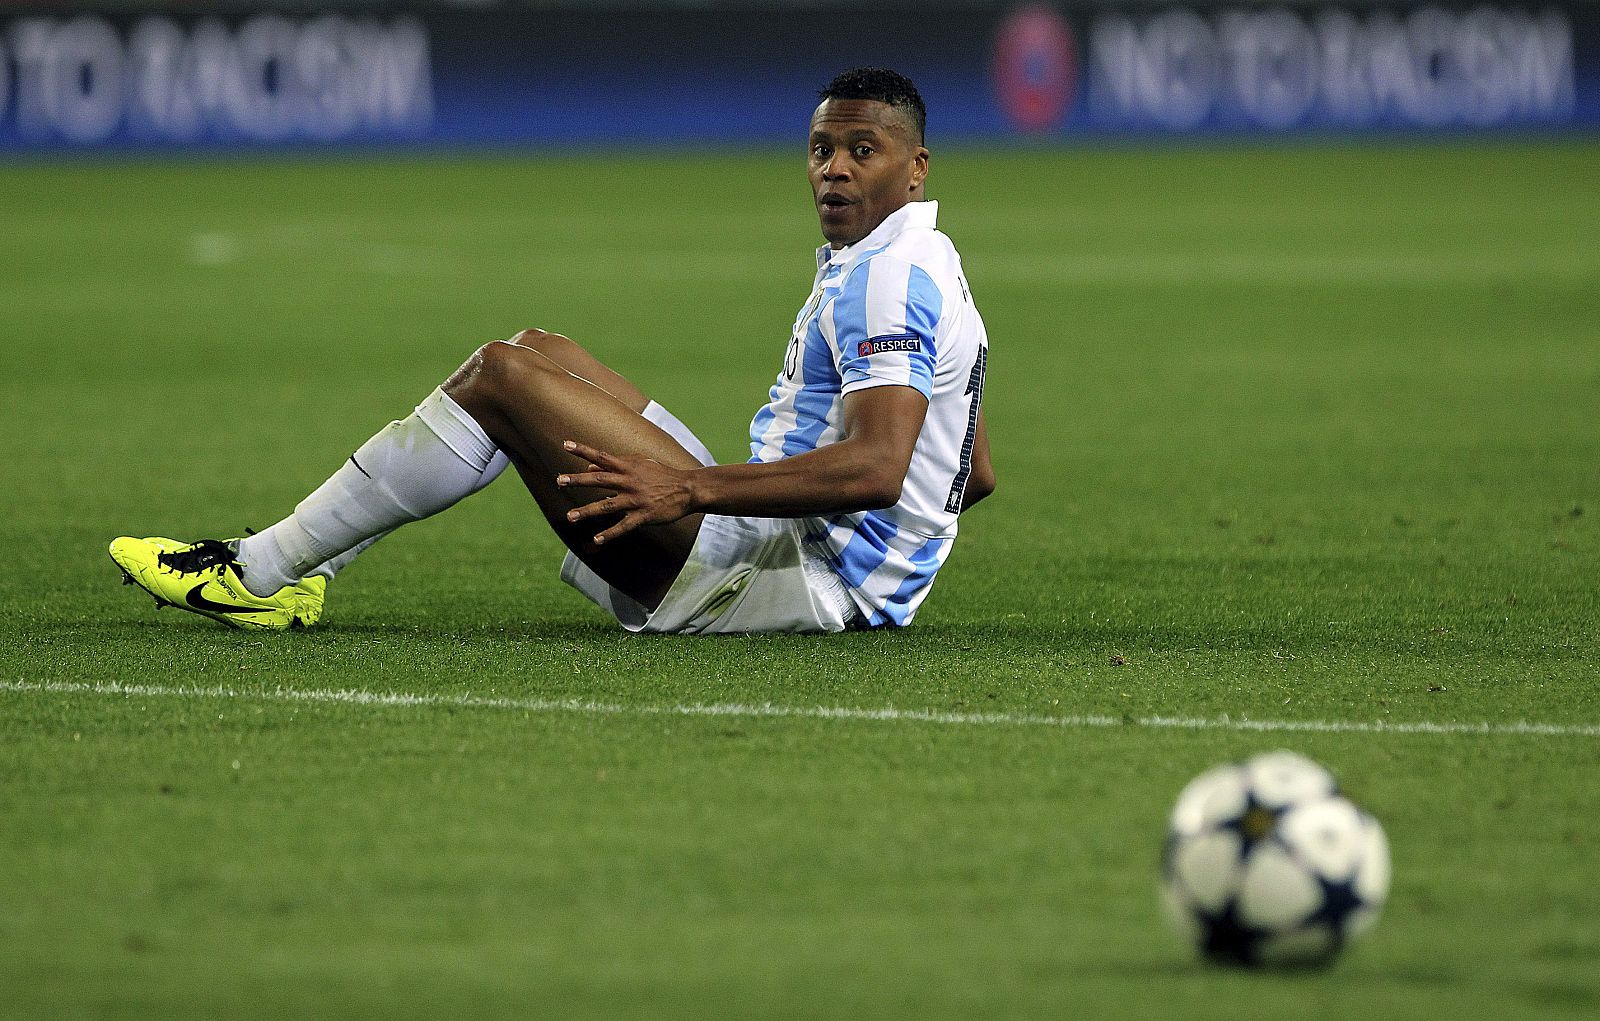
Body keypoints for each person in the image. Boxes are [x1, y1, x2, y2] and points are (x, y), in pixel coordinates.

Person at [110, 66, 994, 635]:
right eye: (820, 148)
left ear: (915, 168)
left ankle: (263, 570)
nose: (833, 169)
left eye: (862, 151)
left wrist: (690, 488)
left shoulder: (885, 277)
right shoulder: (923, 259)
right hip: (808, 559)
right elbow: (972, 469)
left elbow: (879, 466)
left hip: (799, 583)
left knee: (502, 377)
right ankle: (302, 571)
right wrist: (905, 557)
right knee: (540, 351)